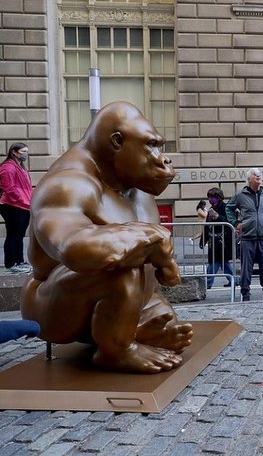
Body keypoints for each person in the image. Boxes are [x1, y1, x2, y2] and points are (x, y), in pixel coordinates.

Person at [20, 102, 192, 373]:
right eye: (151, 146)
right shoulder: (67, 184)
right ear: (117, 142)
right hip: (54, 306)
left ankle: (133, 330)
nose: (163, 158)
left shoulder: (134, 185)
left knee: (164, 315)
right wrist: (149, 238)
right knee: (120, 265)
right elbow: (73, 248)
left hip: (127, 301)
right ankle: (116, 350)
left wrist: (154, 248)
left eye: (160, 146)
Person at [226, 168, 263, 301]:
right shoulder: (240, 195)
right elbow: (228, 208)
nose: (258, 175)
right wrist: (236, 223)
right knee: (246, 268)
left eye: (259, 174)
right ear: (249, 179)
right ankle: (246, 294)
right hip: (247, 238)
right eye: (255, 174)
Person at [0, 143, 33, 274]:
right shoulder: (8, 167)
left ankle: (20, 261)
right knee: (13, 234)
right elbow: (9, 188)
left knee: (19, 235)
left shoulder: (20, 167)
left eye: (27, 151)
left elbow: (26, 187)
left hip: (23, 205)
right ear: (14, 152)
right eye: (23, 151)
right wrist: (22, 200)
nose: (26, 154)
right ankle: (10, 263)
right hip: (12, 205)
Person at [200, 188, 235, 289]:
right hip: (213, 240)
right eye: (210, 197)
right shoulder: (211, 209)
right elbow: (207, 226)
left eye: (213, 197)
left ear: (219, 197)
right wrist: (203, 239)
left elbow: (229, 222)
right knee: (223, 262)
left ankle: (208, 282)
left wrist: (218, 217)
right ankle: (234, 280)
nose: (211, 199)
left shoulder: (225, 207)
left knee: (215, 262)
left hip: (223, 240)